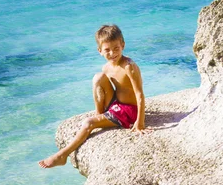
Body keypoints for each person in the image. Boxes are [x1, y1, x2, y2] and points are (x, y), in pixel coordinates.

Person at [38, 24, 150, 169]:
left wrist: (140, 123)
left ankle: (62, 155)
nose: (113, 53)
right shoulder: (107, 67)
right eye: (107, 50)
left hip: (129, 111)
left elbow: (139, 94)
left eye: (116, 48)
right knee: (98, 77)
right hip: (117, 105)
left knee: (88, 123)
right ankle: (100, 115)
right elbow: (108, 88)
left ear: (123, 45)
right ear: (100, 51)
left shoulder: (129, 66)